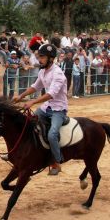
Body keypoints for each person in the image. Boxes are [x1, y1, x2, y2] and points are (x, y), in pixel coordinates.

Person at [12, 43, 67, 176]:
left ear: (51, 59)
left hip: (58, 109)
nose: (39, 59)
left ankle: (57, 162)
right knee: (28, 123)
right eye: (39, 57)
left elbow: (51, 94)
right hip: (46, 107)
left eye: (42, 57)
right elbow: (35, 87)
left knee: (52, 134)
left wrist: (33, 102)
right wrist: (21, 96)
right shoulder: (42, 71)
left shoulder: (58, 73)